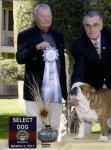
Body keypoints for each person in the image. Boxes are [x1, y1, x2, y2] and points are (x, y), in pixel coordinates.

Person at [68, 11, 111, 134]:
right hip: (90, 93)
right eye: (87, 25)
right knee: (83, 134)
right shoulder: (79, 44)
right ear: (84, 26)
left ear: (101, 25)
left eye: (95, 25)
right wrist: (74, 93)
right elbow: (79, 70)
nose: (91, 29)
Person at [16, 4, 67, 137]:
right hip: (35, 93)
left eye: (49, 16)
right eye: (43, 16)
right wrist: (36, 47)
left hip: (55, 93)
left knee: (54, 130)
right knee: (36, 131)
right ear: (36, 18)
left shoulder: (58, 36)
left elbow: (61, 65)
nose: (47, 19)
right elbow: (20, 58)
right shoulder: (25, 35)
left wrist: (65, 93)